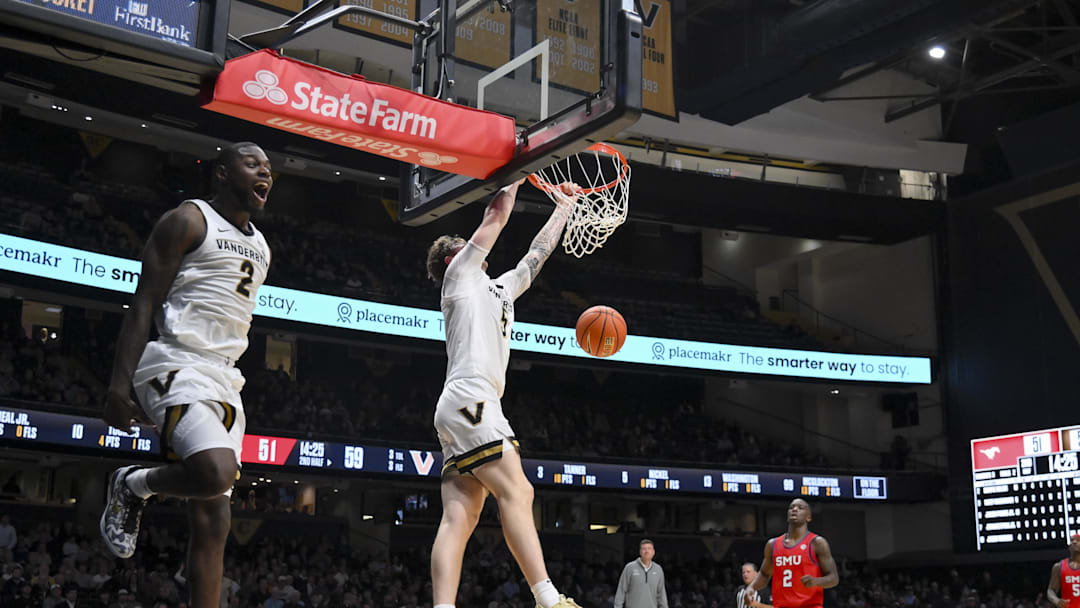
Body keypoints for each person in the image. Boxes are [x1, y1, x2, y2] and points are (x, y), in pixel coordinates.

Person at [98, 142, 273, 608]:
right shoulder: (187, 220)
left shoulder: (262, 245)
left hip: (225, 378)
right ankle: (133, 483)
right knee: (216, 472)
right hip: (175, 362)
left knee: (215, 519)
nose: (265, 173)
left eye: (268, 168)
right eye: (252, 163)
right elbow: (143, 303)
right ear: (221, 173)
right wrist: (119, 385)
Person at [424, 179, 581, 608]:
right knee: (519, 491)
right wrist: (514, 174)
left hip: (461, 405)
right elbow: (494, 216)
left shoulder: (499, 288)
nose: (477, 245)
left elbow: (535, 256)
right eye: (465, 243)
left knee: (461, 514)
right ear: (452, 257)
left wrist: (563, 209)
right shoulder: (458, 277)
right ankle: (548, 598)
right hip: (472, 398)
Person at [746, 499, 839, 608]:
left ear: (808, 517)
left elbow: (833, 578)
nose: (794, 509)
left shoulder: (817, 543)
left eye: (800, 508)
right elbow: (764, 574)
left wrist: (816, 581)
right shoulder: (773, 544)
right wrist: (751, 587)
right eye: (791, 507)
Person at [614, 539, 669, 608]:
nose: (646, 551)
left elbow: (661, 595)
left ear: (653, 552)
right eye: (644, 549)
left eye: (649, 549)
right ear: (640, 552)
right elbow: (621, 591)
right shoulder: (630, 568)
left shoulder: (658, 569)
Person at [1047, 534, 1080, 608]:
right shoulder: (1059, 566)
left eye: (1078, 540)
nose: (1074, 542)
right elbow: (1051, 590)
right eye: (1072, 540)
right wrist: (1057, 601)